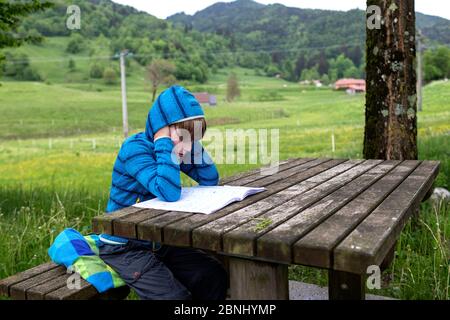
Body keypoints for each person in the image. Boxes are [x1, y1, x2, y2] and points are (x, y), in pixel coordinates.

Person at [100, 85, 227, 300]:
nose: (186, 146)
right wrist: (163, 142)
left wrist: (189, 144)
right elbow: (168, 191)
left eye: (194, 138)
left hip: (158, 240)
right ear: (161, 128)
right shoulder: (135, 149)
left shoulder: (179, 147)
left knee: (212, 276)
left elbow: (209, 179)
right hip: (125, 246)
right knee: (174, 297)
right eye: (184, 136)